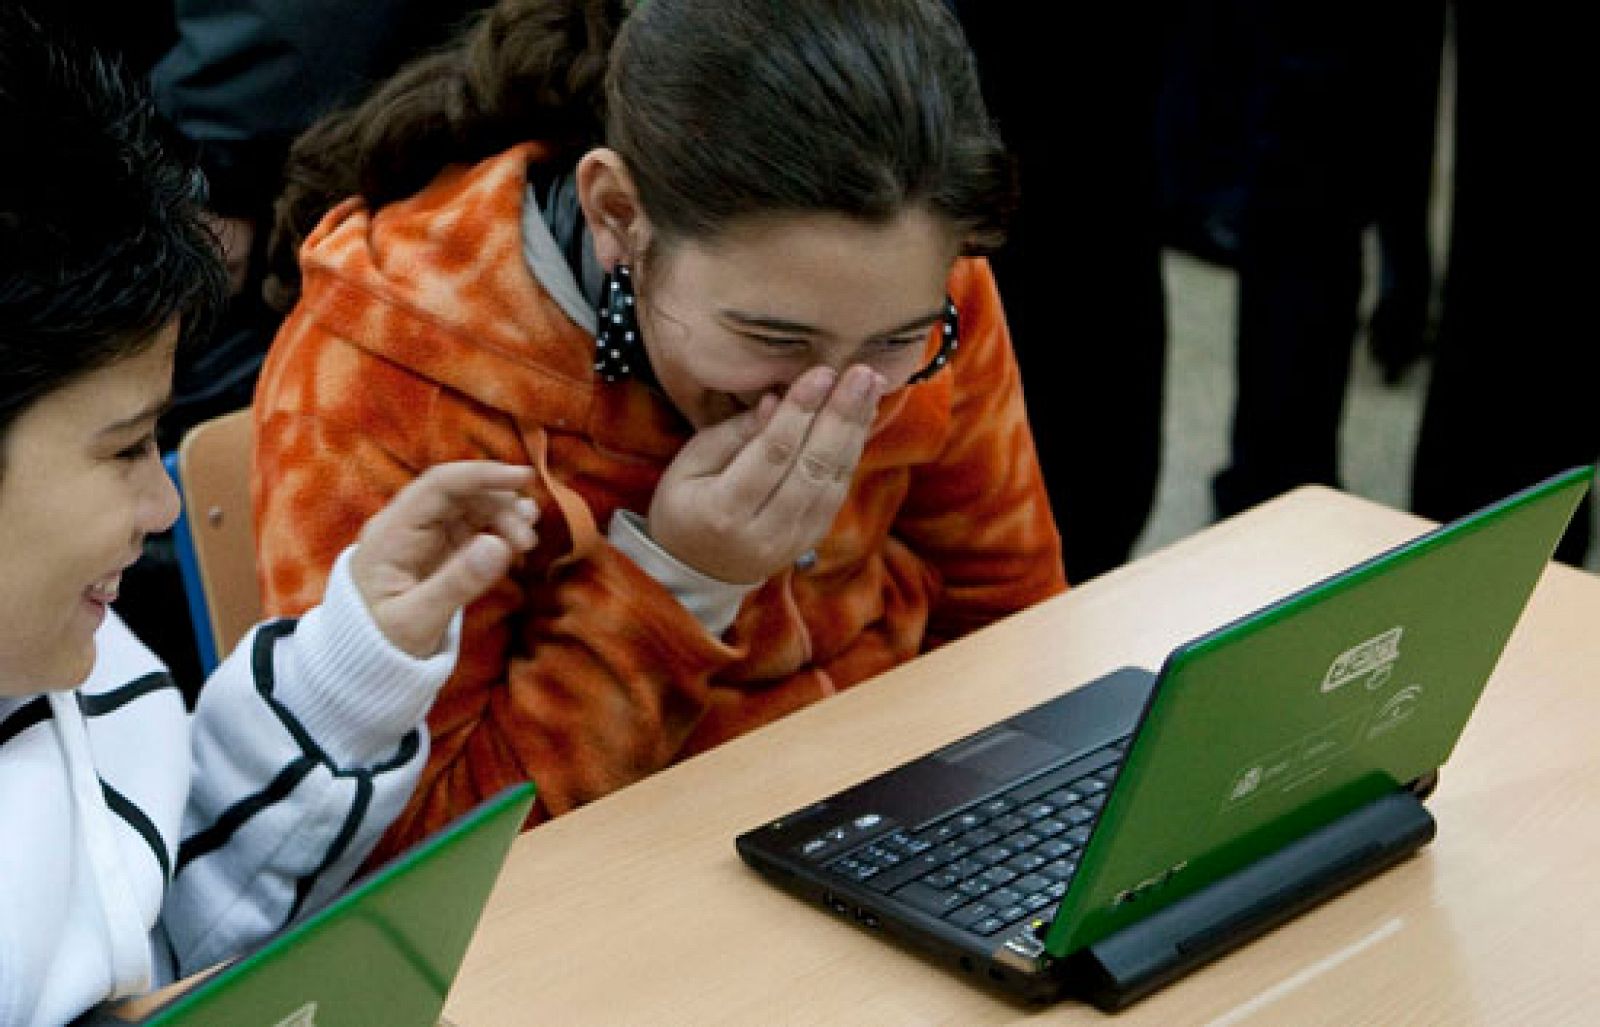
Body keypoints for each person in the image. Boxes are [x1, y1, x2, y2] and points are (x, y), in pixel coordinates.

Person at [254, 0, 1067, 865]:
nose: (827, 397)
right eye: (773, 339)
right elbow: (421, 873)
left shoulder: (914, 286)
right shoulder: (385, 377)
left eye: (895, 342)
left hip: (893, 833)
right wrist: (675, 586)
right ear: (615, 216)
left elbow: (1014, 637)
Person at [0, 13, 539, 1023]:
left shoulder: (86, 661)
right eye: (122, 449)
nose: (160, 502)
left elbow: (156, 920)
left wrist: (353, 663)